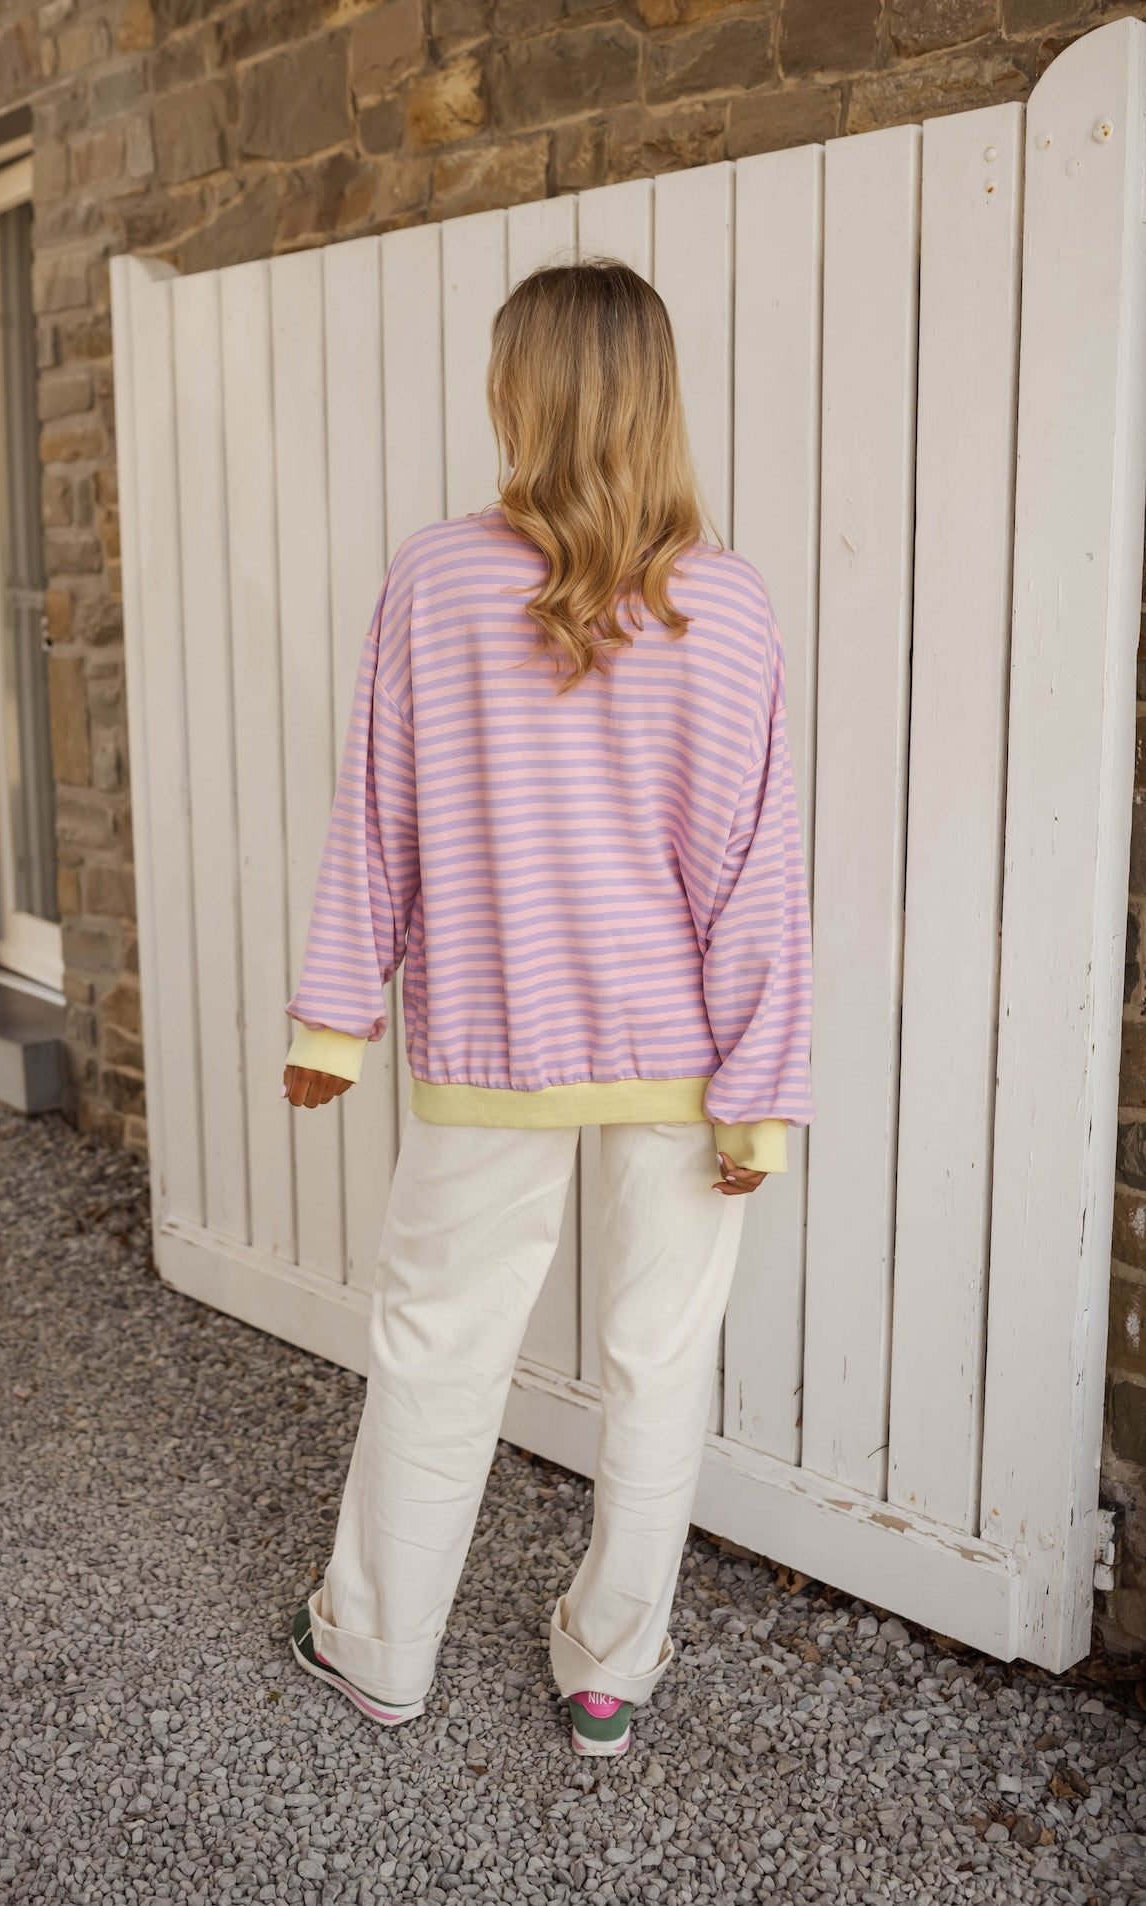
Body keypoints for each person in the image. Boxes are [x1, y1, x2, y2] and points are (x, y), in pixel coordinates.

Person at [280, 256, 814, 1759]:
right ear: (657, 393)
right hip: (684, 1062)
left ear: (519, 388)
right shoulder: (731, 603)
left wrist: (334, 1022)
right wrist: (759, 1094)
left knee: (438, 1344)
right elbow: (758, 872)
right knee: (658, 1364)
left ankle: (378, 1647)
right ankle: (607, 1673)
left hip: (493, 1047)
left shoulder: (437, 574)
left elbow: (371, 817)